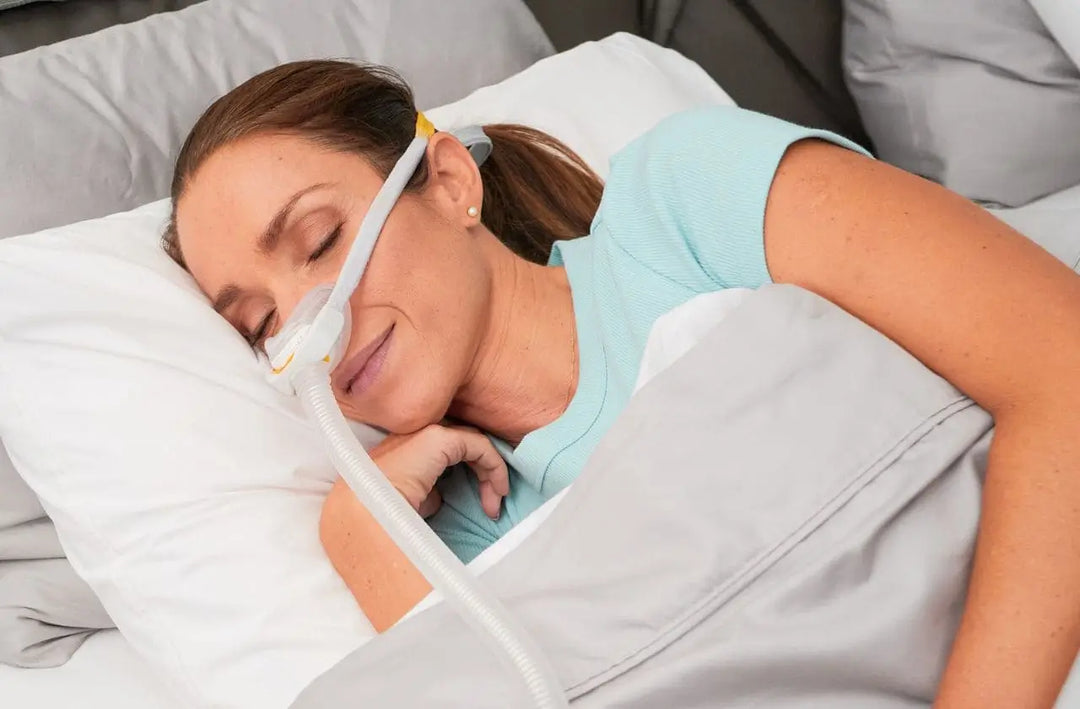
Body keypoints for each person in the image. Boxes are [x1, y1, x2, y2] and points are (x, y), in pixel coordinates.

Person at [165, 60, 1079, 708]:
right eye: (261, 323)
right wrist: (362, 534)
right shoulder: (461, 538)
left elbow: (1062, 367)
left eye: (320, 241)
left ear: (447, 181)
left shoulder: (684, 205)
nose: (309, 333)